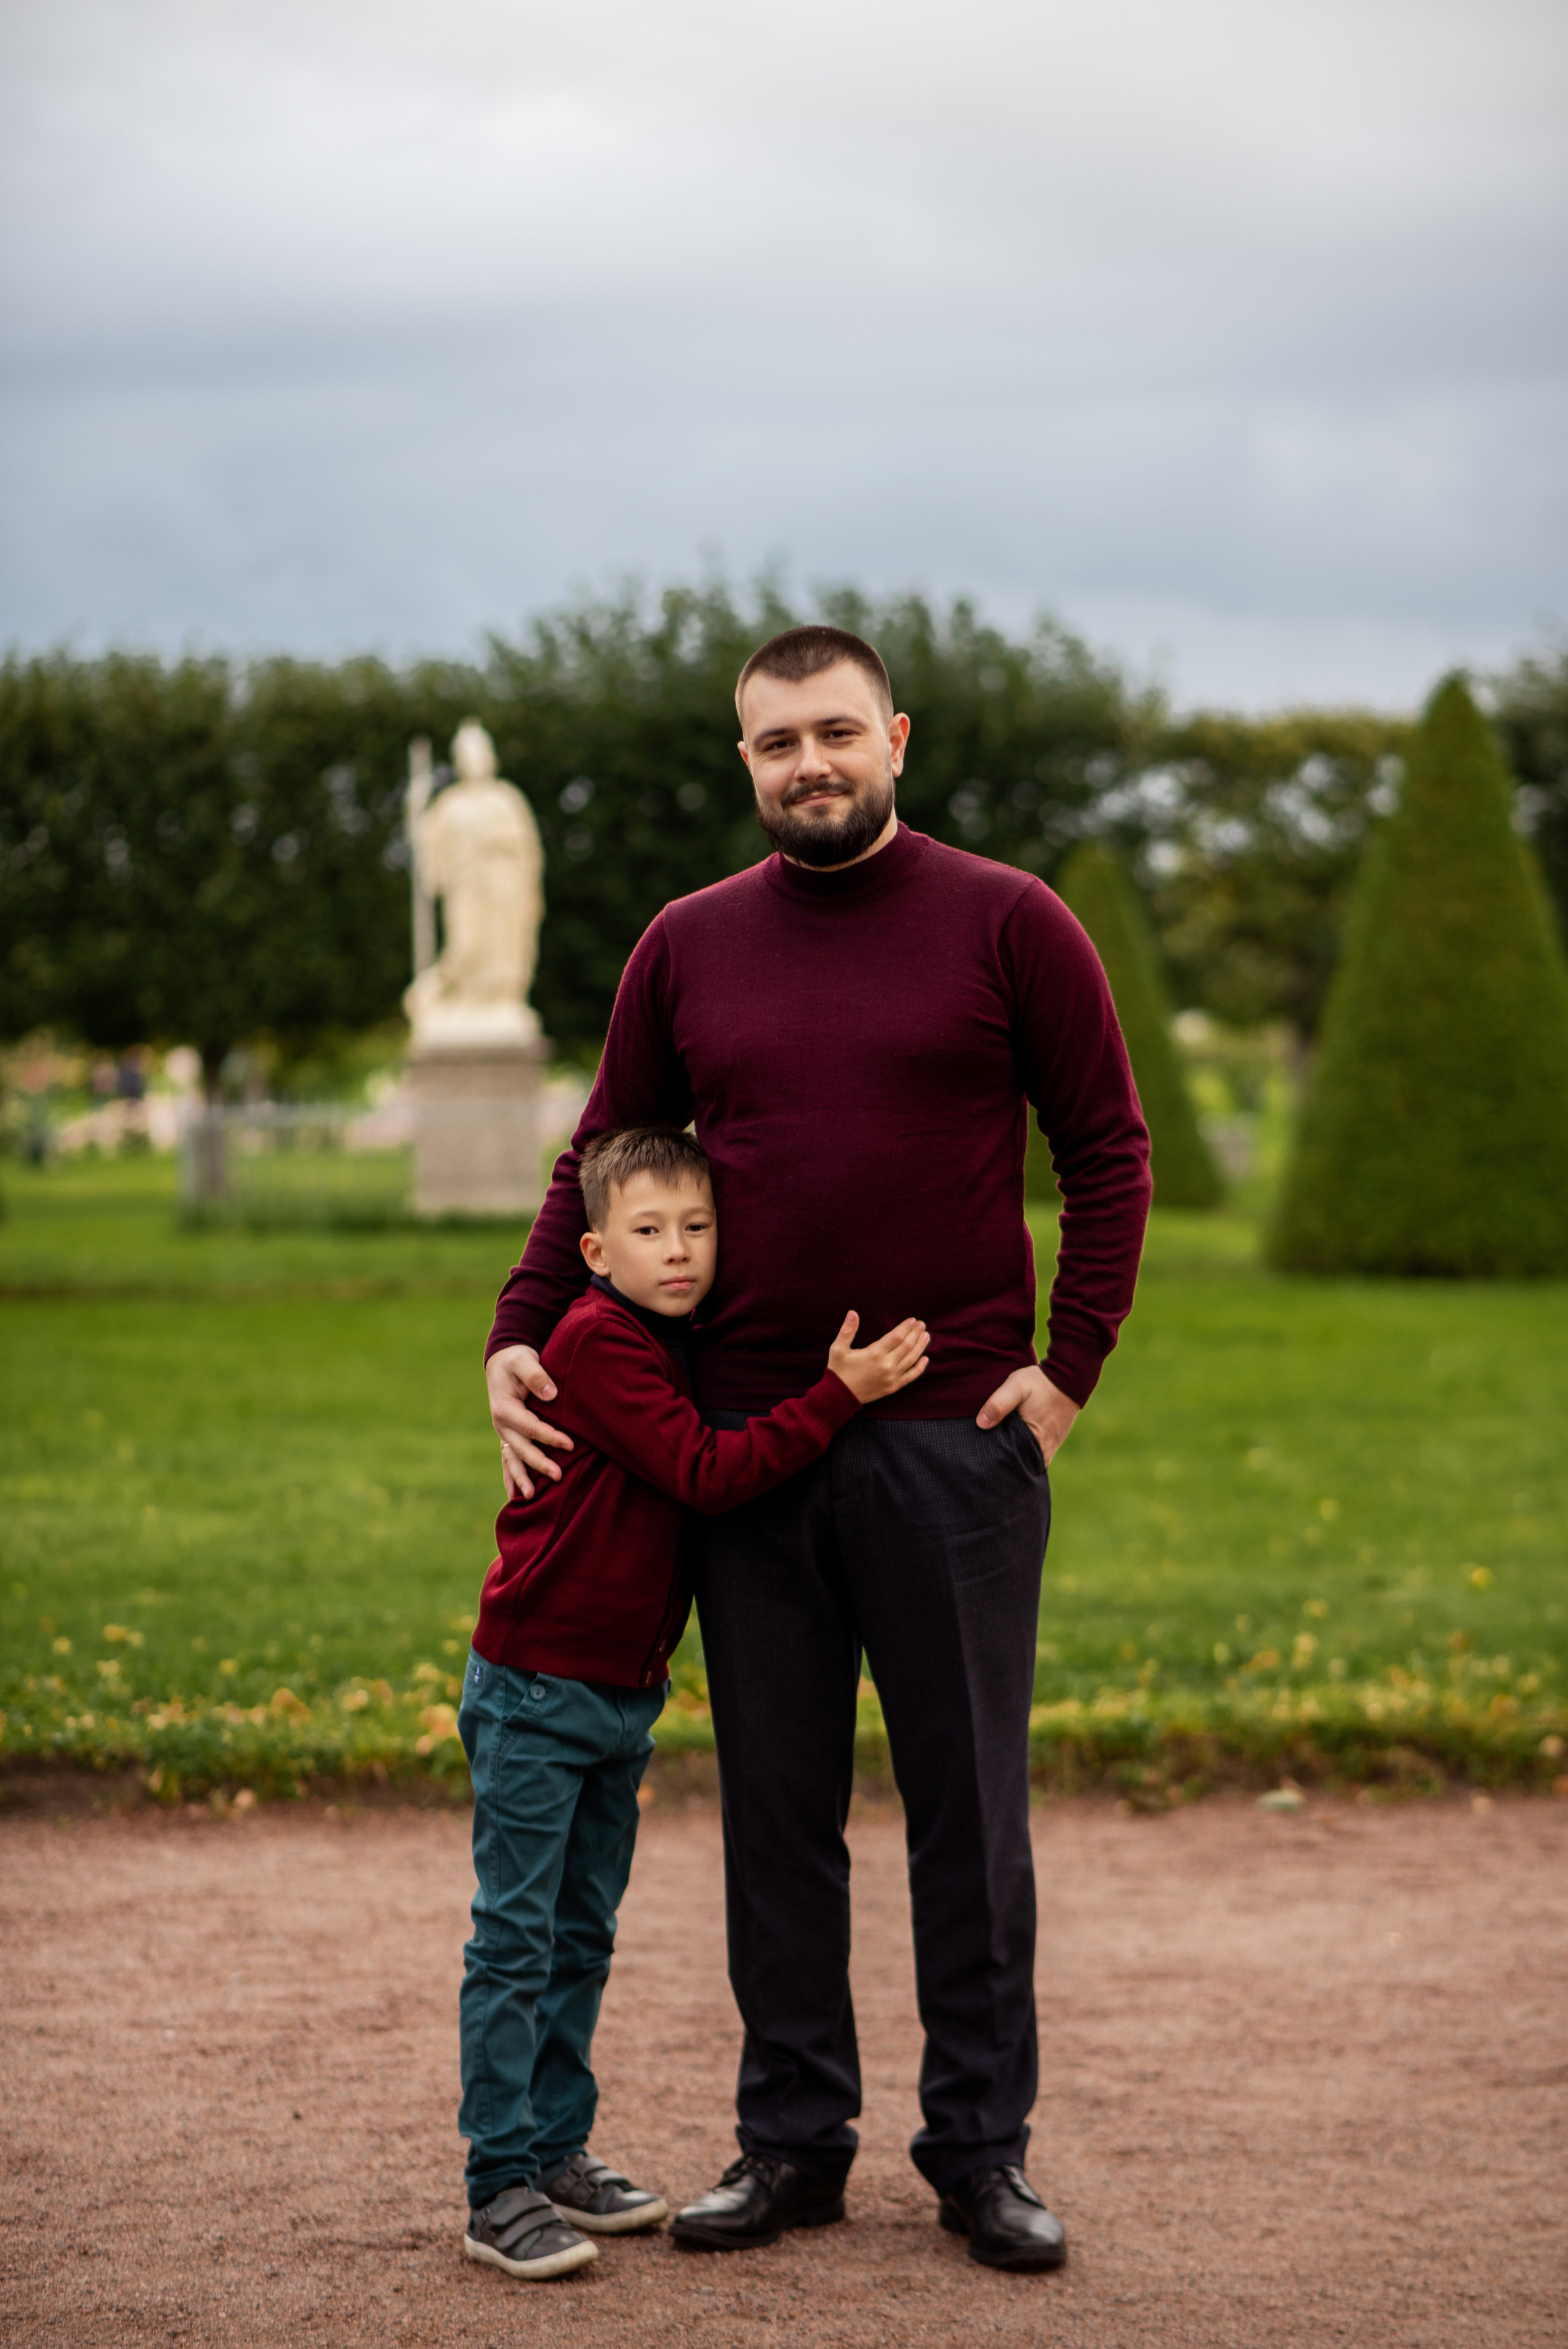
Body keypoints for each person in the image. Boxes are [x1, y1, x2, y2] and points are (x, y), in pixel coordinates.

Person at [486, 624, 1152, 2275]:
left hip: (957, 1444)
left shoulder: (1012, 920)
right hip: (746, 1440)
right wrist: (515, 1325)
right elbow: (600, 1155)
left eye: (837, 732)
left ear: (897, 736)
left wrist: (1064, 1372)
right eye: (778, 741)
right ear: (747, 760)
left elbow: (1110, 1149)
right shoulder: (688, 942)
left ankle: (980, 2152)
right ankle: (792, 2141)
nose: (811, 763)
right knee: (777, 1810)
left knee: (967, 1812)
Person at [459, 1121, 929, 2283]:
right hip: (536, 1687)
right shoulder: (601, 1340)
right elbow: (712, 1475)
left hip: (617, 1696)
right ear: (595, 1251)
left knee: (581, 1935)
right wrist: (837, 1393)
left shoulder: (672, 1336)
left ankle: (557, 2150)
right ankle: (496, 2186)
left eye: (699, 1228)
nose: (680, 1251)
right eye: (651, 1231)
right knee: (517, 1942)